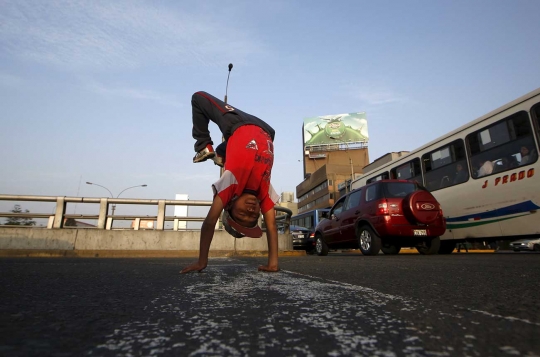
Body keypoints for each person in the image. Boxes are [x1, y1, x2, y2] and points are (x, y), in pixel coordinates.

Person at [181, 91, 280, 274]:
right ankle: (220, 154)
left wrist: (202, 261)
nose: (250, 211)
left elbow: (210, 222)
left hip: (238, 124)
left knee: (198, 97)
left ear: (229, 205)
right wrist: (272, 263)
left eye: (242, 214)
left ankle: (204, 146)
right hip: (266, 131)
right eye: (253, 216)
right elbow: (272, 227)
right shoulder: (264, 191)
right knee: (227, 148)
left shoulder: (231, 184)